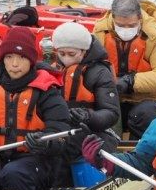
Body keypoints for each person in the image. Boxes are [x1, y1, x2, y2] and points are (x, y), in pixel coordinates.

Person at [0, 26, 73, 190]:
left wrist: (45, 143)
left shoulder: (47, 93)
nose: (14, 64)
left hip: (38, 162)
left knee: (13, 173)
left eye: (21, 57)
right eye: (9, 57)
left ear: (31, 60)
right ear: (2, 60)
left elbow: (61, 135)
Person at [92, 0, 156, 139]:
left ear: (139, 18)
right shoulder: (100, 32)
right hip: (111, 97)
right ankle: (105, 153)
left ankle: (142, 155)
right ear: (113, 18)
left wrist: (130, 81)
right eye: (120, 25)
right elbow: (91, 66)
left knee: (145, 115)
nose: (126, 29)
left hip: (147, 99)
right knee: (99, 114)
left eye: (131, 26)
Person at [51, 21, 120, 161]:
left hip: (96, 131)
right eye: (61, 53)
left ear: (84, 51)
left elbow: (111, 113)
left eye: (71, 54)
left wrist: (88, 116)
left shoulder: (99, 72)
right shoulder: (52, 71)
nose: (66, 59)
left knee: (68, 146)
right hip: (61, 130)